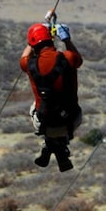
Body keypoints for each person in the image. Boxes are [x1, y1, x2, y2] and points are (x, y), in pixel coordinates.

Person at [20, 16, 83, 172]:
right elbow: (78, 60)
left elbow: (24, 56)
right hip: (71, 121)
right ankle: (60, 150)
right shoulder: (68, 58)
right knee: (62, 110)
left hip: (44, 124)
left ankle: (49, 146)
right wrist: (66, 40)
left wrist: (32, 40)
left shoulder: (28, 63)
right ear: (51, 40)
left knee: (38, 107)